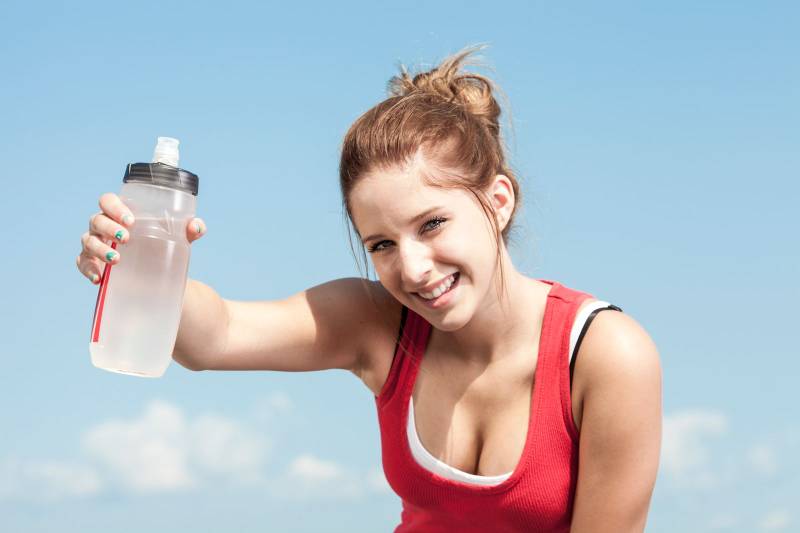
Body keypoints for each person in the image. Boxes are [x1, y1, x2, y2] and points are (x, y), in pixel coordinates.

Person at [76, 45, 662, 532]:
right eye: (381, 244)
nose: (413, 268)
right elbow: (214, 337)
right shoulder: (379, 325)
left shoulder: (605, 355)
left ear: (498, 201)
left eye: (432, 224)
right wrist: (139, 260)